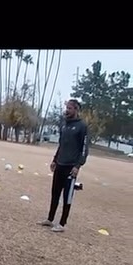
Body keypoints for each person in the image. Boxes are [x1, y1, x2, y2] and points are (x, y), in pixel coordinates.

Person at [38, 99, 89, 232]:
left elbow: (84, 149)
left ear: (76, 110)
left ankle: (62, 224)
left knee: (67, 196)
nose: (67, 110)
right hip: (60, 164)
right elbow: (61, 145)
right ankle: (50, 219)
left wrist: (78, 166)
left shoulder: (82, 126)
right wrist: (55, 160)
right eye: (67, 107)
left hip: (71, 167)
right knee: (55, 193)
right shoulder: (64, 125)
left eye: (70, 108)